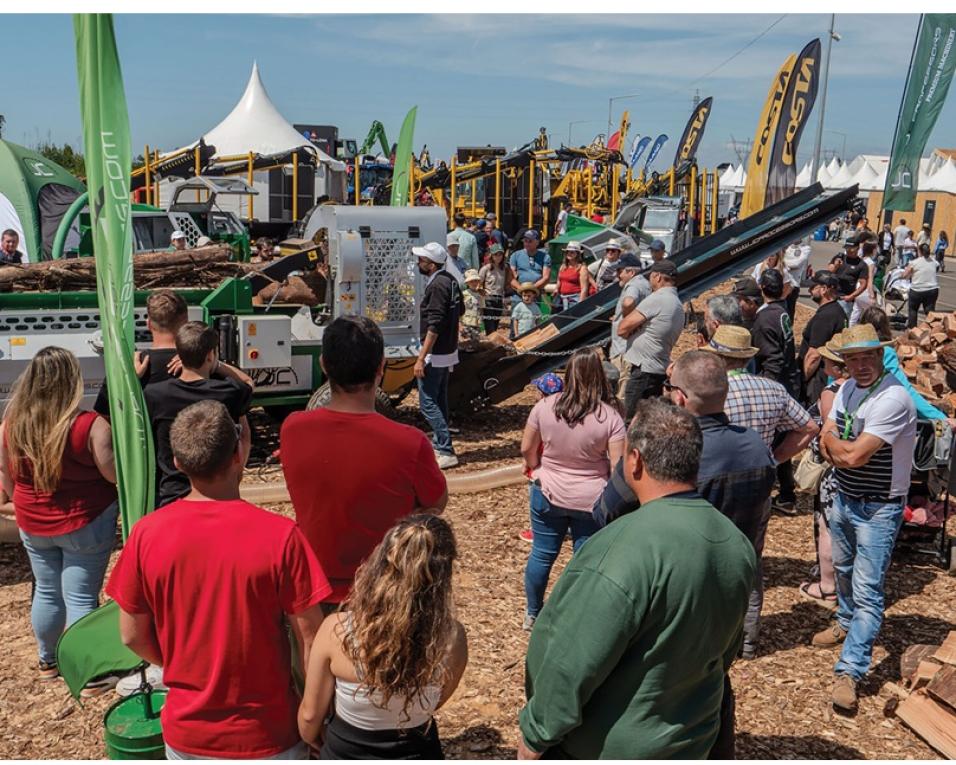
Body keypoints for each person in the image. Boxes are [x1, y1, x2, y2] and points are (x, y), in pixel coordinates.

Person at [518, 399, 755, 759]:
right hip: (693, 739)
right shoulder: (735, 542)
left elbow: (571, 660)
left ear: (635, 460)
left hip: (612, 747)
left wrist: (536, 734)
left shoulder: (619, 549)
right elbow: (725, 649)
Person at [107, 400, 329, 759]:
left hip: (186, 733)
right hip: (268, 733)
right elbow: (311, 639)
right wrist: (312, 715)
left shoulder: (146, 535)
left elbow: (131, 634)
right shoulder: (281, 537)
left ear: (177, 463)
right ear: (239, 453)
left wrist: (179, 664)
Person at [594, 352, 776, 663]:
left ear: (679, 397)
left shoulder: (663, 453)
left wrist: (630, 451)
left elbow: (605, 512)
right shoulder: (756, 446)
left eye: (668, 386)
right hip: (730, 589)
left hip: (670, 595)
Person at [281, 316, 447, 608]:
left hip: (313, 590)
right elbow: (436, 503)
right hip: (384, 590)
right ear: (381, 366)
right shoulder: (410, 442)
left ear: (323, 365)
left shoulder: (293, 429)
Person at [299, 515, 467, 758]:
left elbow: (310, 715)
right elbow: (437, 702)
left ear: (381, 562)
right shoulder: (452, 639)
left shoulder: (336, 630)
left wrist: (312, 739)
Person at [813, 325, 917, 713]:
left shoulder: (893, 398)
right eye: (852, 359)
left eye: (867, 357)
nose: (860, 365)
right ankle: (845, 619)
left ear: (880, 356)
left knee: (868, 590)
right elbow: (827, 434)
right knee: (842, 568)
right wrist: (836, 445)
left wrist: (834, 446)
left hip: (878, 507)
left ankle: (850, 671)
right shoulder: (847, 389)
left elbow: (854, 455)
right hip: (846, 497)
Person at [0, 347, 117, 686]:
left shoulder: (10, 426)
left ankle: (48, 661)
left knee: (48, 591)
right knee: (80, 597)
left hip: (33, 524)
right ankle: (87, 672)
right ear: (72, 381)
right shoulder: (90, 425)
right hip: (85, 521)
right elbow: (112, 475)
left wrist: (24, 502)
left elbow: (7, 479)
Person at [520, 348, 625, 630]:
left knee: (542, 554)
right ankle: (578, 614)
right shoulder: (610, 417)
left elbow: (527, 448)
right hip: (592, 498)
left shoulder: (545, 406)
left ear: (568, 374)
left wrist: (536, 468)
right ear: (599, 376)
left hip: (548, 490)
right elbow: (618, 467)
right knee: (585, 559)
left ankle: (533, 612)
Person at [703, 325, 818, 517]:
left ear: (717, 358)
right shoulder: (773, 388)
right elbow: (809, 428)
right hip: (759, 477)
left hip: (717, 478)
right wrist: (774, 459)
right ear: (748, 358)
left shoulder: (709, 392)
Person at [145, 321, 254, 506]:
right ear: (210, 355)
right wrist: (218, 365)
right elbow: (248, 383)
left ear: (179, 354)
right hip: (219, 492)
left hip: (172, 494)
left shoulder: (155, 394)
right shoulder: (229, 392)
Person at [800, 335, 850, 609]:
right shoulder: (865, 390)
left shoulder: (831, 392)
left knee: (828, 527)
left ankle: (828, 586)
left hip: (834, 469)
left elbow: (829, 433)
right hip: (853, 469)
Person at [94, 289, 189, 417]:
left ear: (148, 324)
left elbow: (103, 417)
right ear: (186, 323)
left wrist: (127, 380)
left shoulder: (129, 367)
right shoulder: (199, 364)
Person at [413, 242, 464, 469]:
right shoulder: (451, 280)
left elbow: (434, 325)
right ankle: (439, 444)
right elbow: (460, 310)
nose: (418, 263)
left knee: (427, 403)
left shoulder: (436, 286)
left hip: (435, 353)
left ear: (432, 265)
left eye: (422, 260)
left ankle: (445, 448)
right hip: (448, 351)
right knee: (440, 399)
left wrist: (421, 357)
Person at [618, 260, 685, 420]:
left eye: (651, 276)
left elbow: (622, 328)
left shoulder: (657, 299)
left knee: (632, 421)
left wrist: (632, 327)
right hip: (658, 368)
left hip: (643, 370)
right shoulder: (676, 303)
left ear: (658, 277)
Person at [861, 306, 950, 423]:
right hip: (880, 413)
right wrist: (940, 417)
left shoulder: (855, 352)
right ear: (885, 326)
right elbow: (903, 387)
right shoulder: (885, 352)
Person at [799, 270, 848, 406]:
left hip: (817, 380)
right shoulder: (837, 311)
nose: (809, 290)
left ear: (824, 289)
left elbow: (814, 355)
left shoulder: (825, 316)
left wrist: (802, 380)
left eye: (813, 287)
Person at [752, 268, 799, 396]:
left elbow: (773, 360)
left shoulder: (766, 318)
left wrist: (765, 391)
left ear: (761, 287)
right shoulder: (782, 308)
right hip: (790, 378)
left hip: (776, 387)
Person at [608, 253, 649, 387]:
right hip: (636, 346)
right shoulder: (645, 283)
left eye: (620, 271)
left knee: (621, 387)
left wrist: (626, 319)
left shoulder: (633, 285)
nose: (617, 275)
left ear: (631, 272)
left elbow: (628, 302)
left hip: (623, 348)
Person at [903, 242, 940, 328]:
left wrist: (905, 275)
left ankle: (913, 329)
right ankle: (934, 328)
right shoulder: (934, 261)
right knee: (930, 311)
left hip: (917, 290)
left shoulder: (914, 262)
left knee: (913, 309)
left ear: (919, 252)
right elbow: (936, 269)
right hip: (932, 290)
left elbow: (905, 275)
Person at [509, 230, 551, 302]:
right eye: (525, 241)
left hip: (536, 295)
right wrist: (522, 290)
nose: (527, 243)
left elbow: (546, 278)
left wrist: (531, 289)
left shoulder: (545, 257)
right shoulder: (515, 255)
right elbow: (510, 277)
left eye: (530, 241)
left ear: (537, 242)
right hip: (518, 295)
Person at [478, 243, 511, 334]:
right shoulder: (485, 268)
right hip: (488, 299)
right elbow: (479, 283)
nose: (498, 257)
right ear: (491, 255)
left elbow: (506, 283)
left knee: (495, 325)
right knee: (490, 326)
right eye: (496, 254)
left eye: (500, 254)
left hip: (499, 299)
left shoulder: (505, 269)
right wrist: (482, 294)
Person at [555, 241, 590, 311]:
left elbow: (584, 288)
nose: (569, 253)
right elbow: (559, 280)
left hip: (574, 300)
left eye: (572, 252)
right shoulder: (563, 267)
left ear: (577, 254)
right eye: (567, 252)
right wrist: (556, 289)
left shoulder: (582, 268)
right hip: (561, 299)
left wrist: (580, 304)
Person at [783, 239, 812, 320]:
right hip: (781, 283)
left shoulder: (805, 248)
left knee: (789, 311)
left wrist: (783, 264)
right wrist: (787, 265)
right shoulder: (786, 247)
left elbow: (797, 264)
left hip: (793, 285)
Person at [461, 268, 485, 334]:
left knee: (477, 338)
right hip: (466, 322)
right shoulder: (464, 294)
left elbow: (481, 309)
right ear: (467, 283)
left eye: (476, 281)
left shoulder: (480, 295)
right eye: (471, 281)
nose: (474, 283)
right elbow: (460, 309)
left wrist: (482, 324)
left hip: (477, 323)